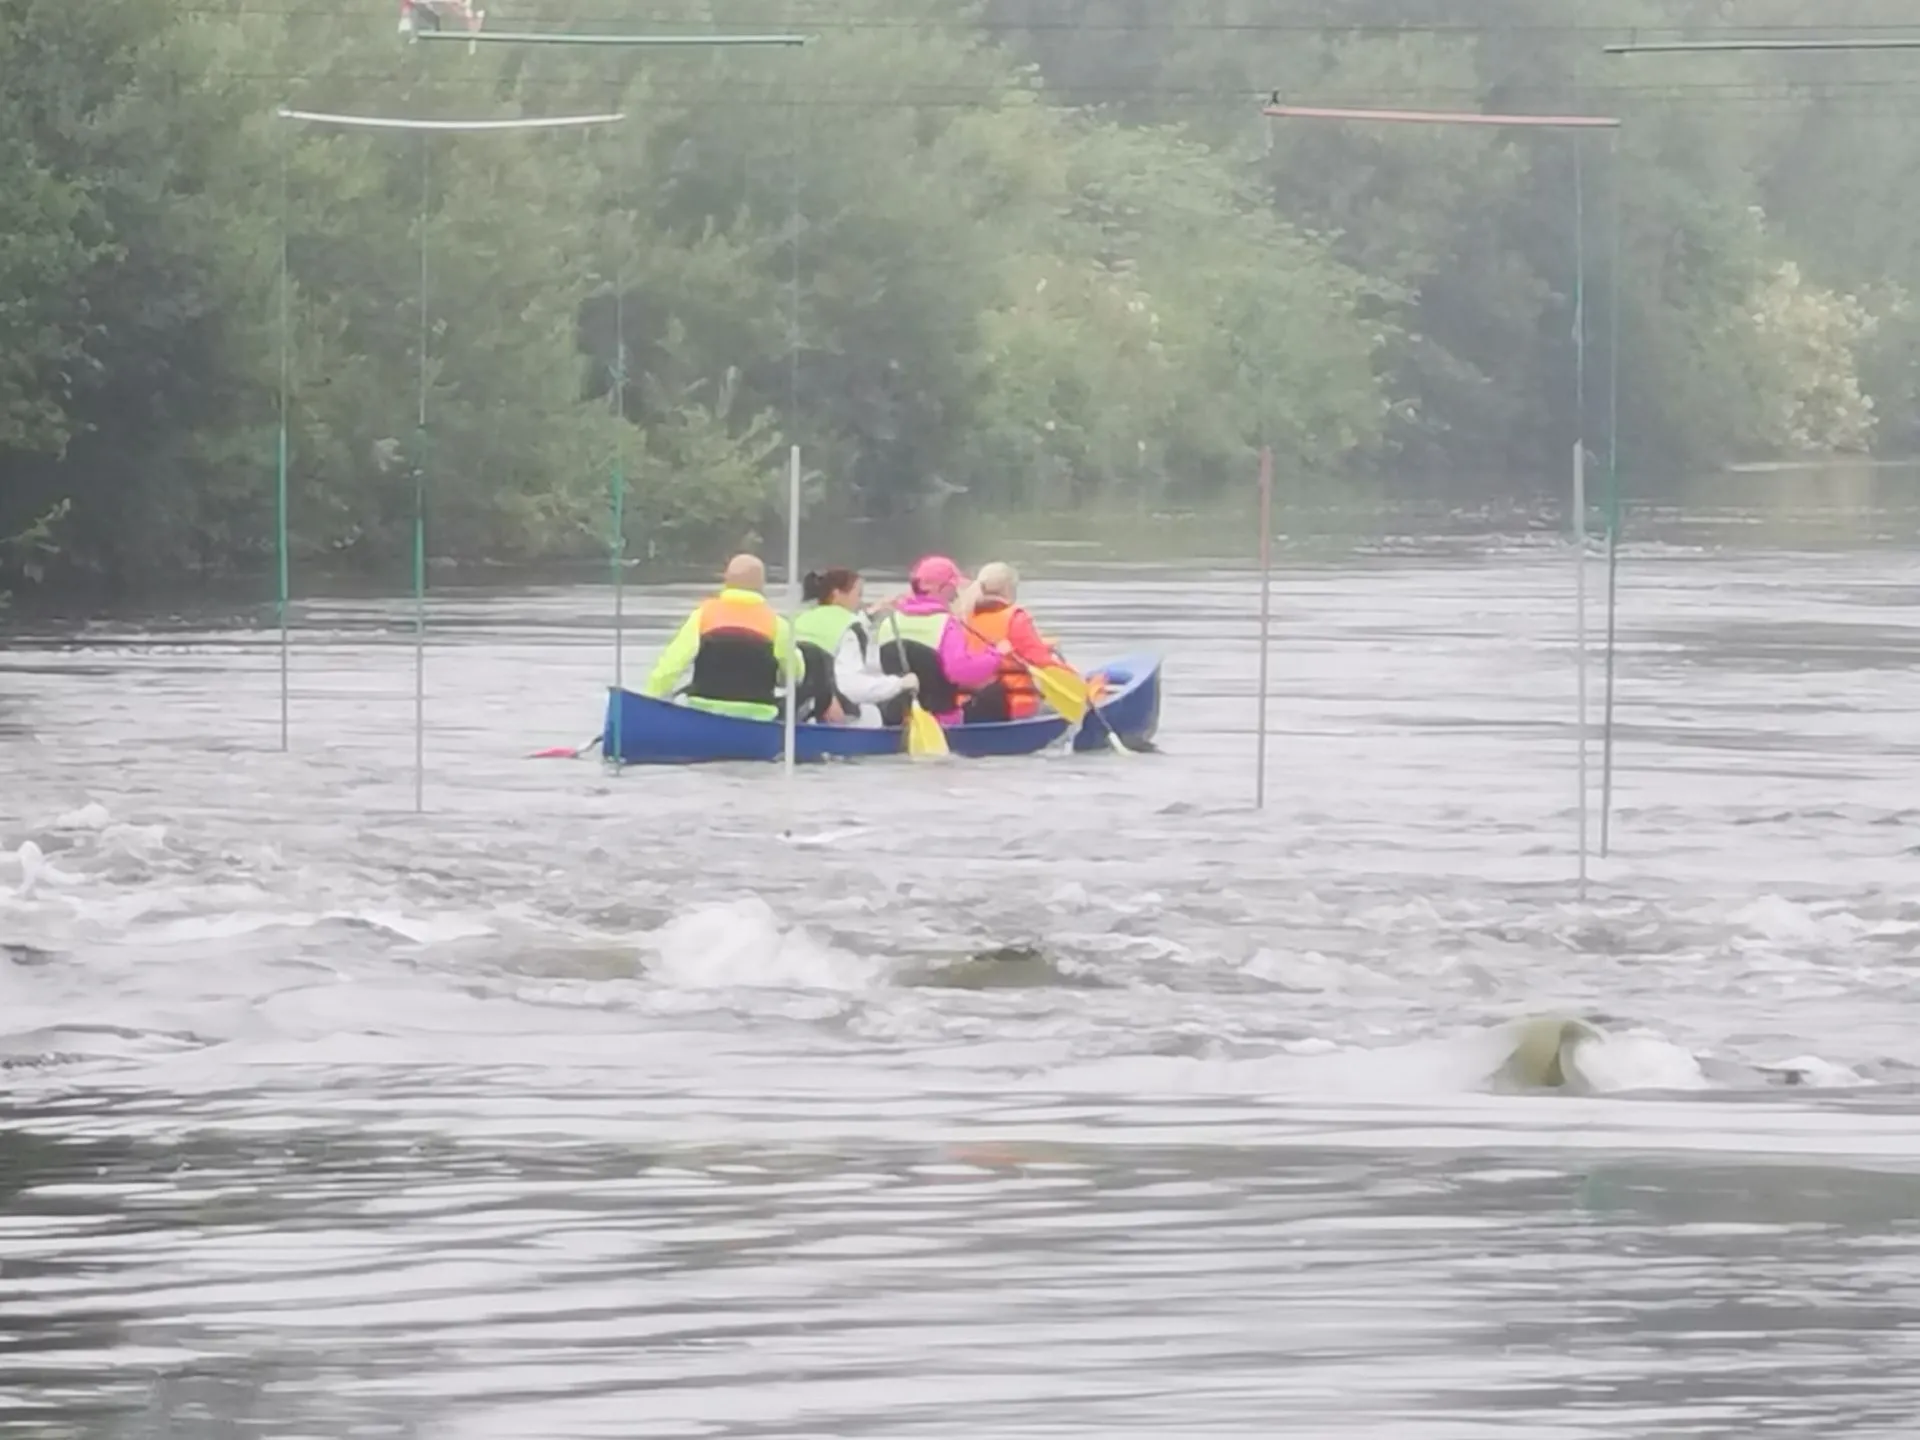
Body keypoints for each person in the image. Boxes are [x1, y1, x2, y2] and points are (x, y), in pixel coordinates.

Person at [641, 554, 801, 721]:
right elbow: (795, 674)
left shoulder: (703, 616)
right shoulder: (776, 623)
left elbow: (670, 666)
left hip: (704, 712)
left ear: (726, 580)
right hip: (759, 716)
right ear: (762, 585)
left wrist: (647, 702)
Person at [875, 554, 1004, 728]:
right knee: (994, 693)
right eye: (953, 586)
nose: (955, 592)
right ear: (942, 588)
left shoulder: (889, 622)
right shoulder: (946, 624)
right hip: (940, 721)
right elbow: (960, 672)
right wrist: (995, 656)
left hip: (896, 719)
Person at [792, 567, 918, 726]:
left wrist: (871, 614)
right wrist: (899, 683)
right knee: (873, 713)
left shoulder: (801, 619)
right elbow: (851, 688)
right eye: (858, 595)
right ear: (836, 594)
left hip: (798, 706)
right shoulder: (851, 628)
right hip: (832, 716)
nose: (860, 602)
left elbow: (831, 636)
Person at [955, 561, 1063, 723]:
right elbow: (1043, 663)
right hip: (1013, 705)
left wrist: (1043, 645)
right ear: (1008, 589)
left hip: (964, 705)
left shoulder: (960, 618)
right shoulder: (1016, 618)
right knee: (1054, 708)